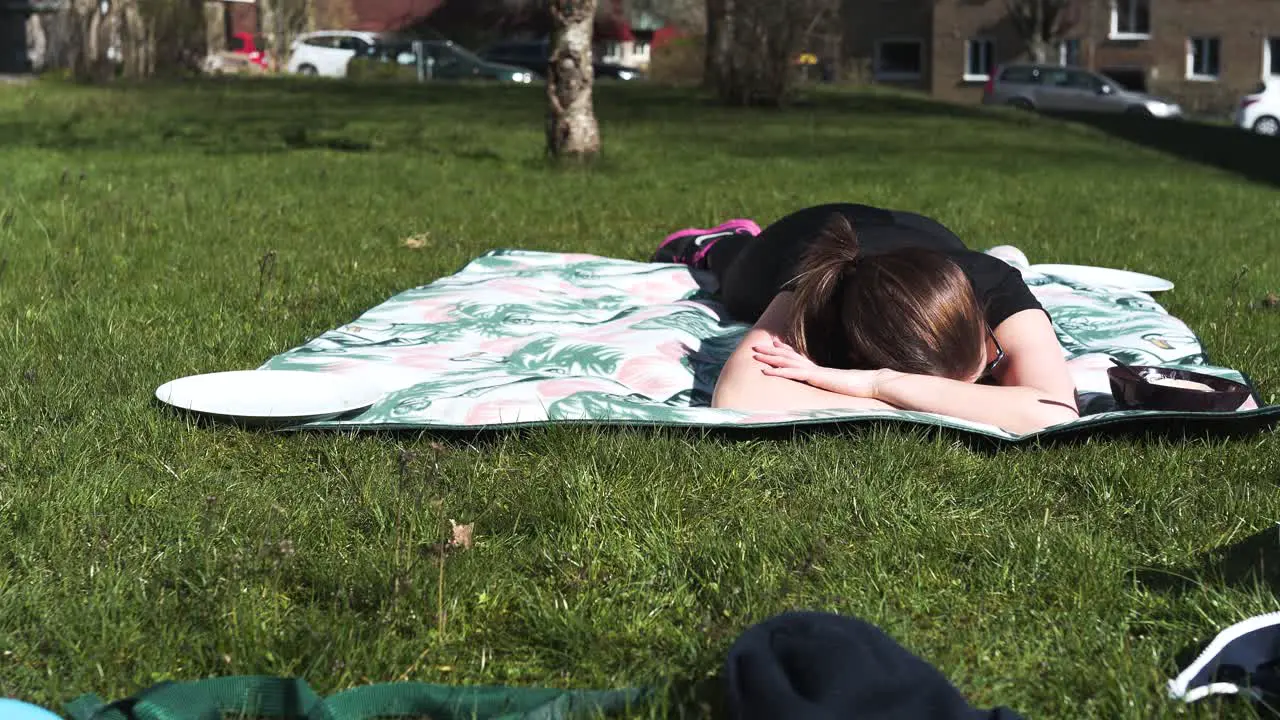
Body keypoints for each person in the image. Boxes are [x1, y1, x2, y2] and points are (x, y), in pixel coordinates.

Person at [651, 203, 1079, 434]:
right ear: (859, 352)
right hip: (799, 239)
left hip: (925, 234)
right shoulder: (817, 288)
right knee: (735, 283)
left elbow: (1055, 413)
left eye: (988, 366)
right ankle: (720, 240)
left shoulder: (994, 284)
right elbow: (739, 396)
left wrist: (880, 386)